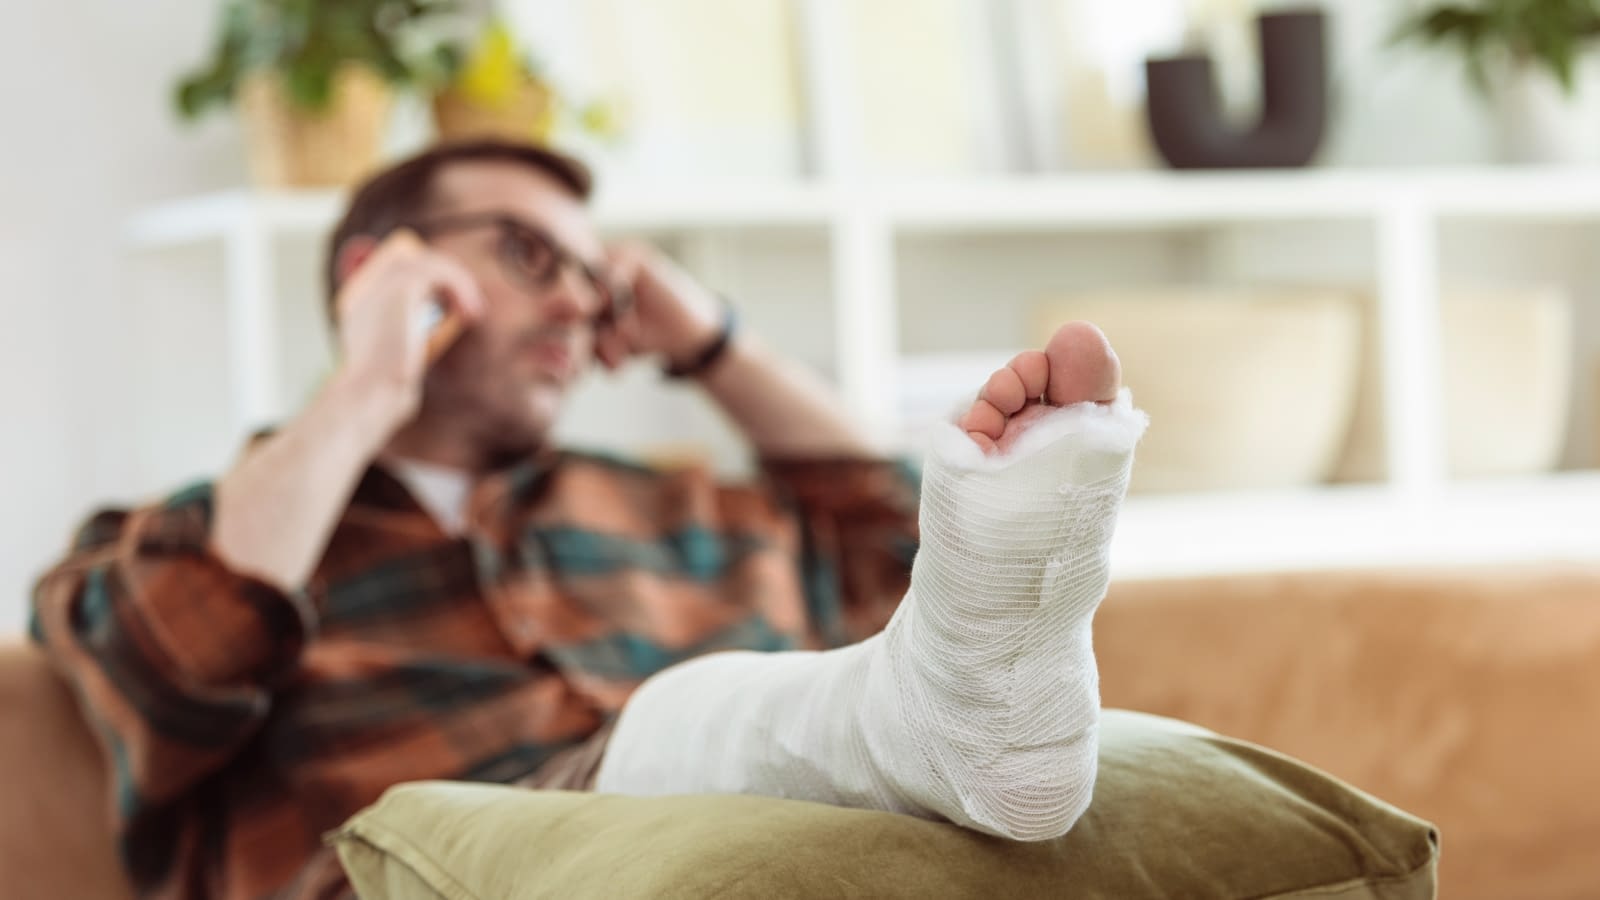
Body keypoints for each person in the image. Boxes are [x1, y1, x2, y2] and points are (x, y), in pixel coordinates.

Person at [30, 141, 1146, 899]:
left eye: (592, 278)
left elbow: (910, 549)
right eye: (527, 255)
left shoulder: (682, 502)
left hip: (743, 863)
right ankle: (898, 729)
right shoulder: (176, 542)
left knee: (942, 636)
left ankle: (927, 728)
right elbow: (164, 666)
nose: (575, 299)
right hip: (437, 879)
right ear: (380, 275)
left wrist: (709, 340)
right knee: (715, 734)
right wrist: (369, 383)